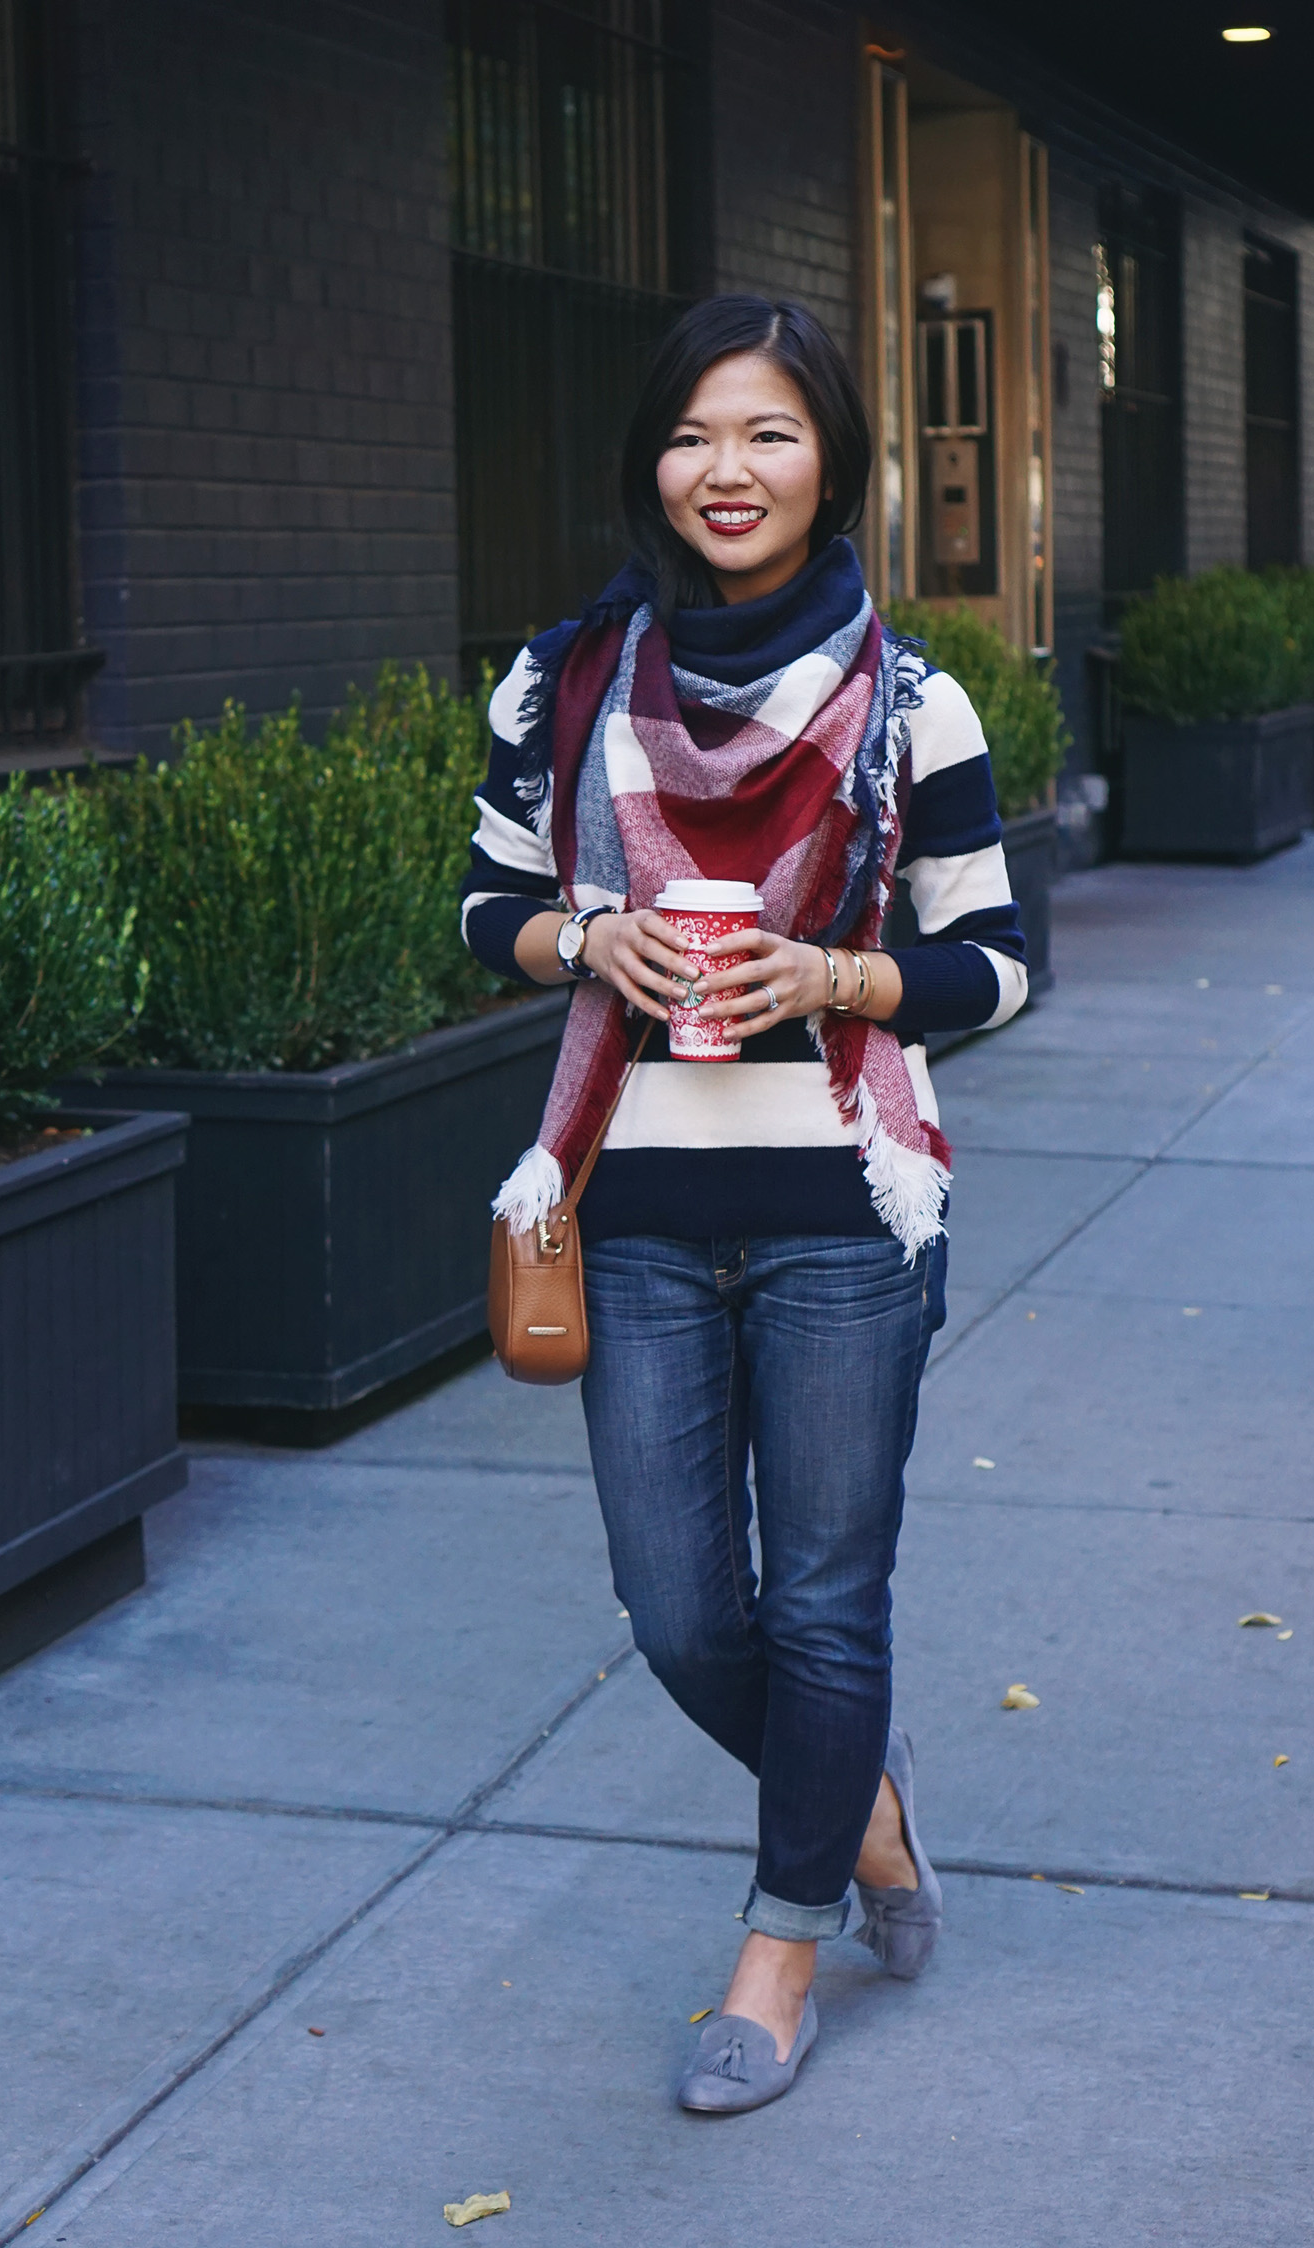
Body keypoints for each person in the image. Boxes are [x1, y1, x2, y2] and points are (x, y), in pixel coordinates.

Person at [461, 294, 1027, 2113]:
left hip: (846, 1223)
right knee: (684, 1604)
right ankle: (855, 1799)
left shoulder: (911, 705)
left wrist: (844, 980)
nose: (730, 470)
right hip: (627, 1211)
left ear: (833, 464)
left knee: (827, 1606)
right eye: (699, 434)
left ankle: (781, 1950)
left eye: (771, 434)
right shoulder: (562, 686)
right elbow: (481, 908)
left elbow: (1001, 961)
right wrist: (580, 934)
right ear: (655, 459)